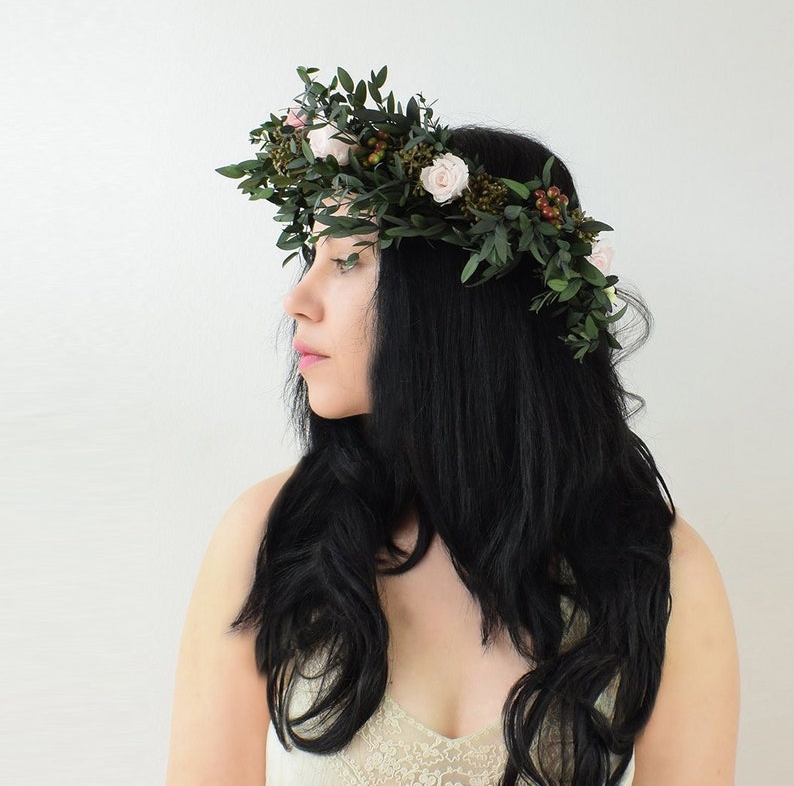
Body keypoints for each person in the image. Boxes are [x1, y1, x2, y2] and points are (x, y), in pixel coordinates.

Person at [165, 68, 740, 785]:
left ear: (454, 300)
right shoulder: (268, 534)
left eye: (347, 260)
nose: (297, 299)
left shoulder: (659, 567)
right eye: (312, 257)